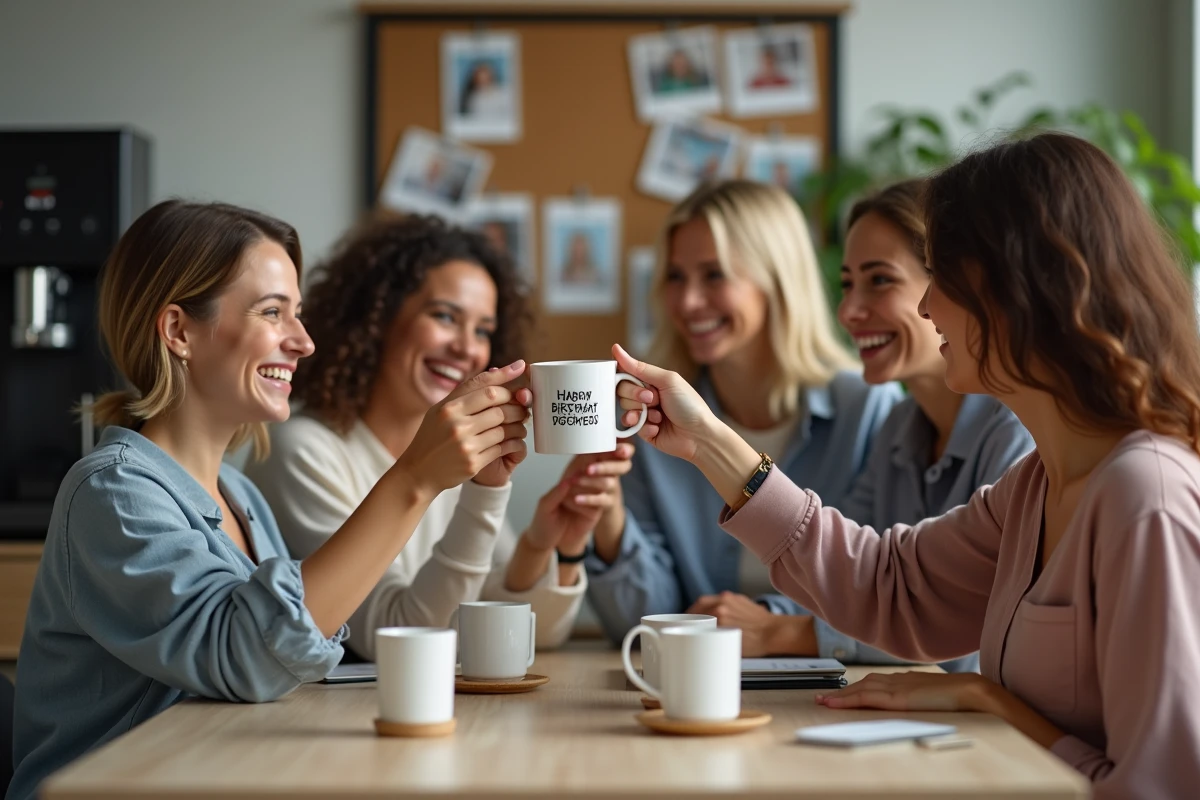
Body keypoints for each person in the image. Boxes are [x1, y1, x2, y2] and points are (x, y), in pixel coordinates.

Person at [611, 133, 1200, 797]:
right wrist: (708, 442)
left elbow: (1162, 785)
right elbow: (888, 585)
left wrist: (995, 704)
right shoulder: (1034, 488)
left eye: (943, 278)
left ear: (1019, 288)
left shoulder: (1142, 494)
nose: (926, 306)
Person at [6, 201, 531, 800]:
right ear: (179, 331)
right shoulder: (111, 493)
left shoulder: (241, 495)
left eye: (298, 315)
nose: (303, 342)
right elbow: (248, 658)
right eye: (272, 312)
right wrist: (414, 479)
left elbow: (297, 659)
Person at [245, 213, 629, 658]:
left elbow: (528, 634)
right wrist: (484, 495)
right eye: (445, 317)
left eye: (483, 330)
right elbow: (396, 637)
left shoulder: (456, 454)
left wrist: (549, 544)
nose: (468, 347)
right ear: (378, 317)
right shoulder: (303, 452)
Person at [687, 180, 1032, 670]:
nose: (848, 312)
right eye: (847, 284)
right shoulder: (898, 425)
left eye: (880, 281)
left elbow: (966, 625)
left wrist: (785, 632)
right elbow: (845, 577)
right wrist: (753, 619)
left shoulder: (1017, 432)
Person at [583, 179, 902, 643]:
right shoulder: (651, 419)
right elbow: (643, 622)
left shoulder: (869, 410)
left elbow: (882, 592)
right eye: (675, 277)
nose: (688, 302)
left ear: (776, 279)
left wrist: (771, 626)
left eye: (714, 275)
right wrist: (607, 514)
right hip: (695, 685)